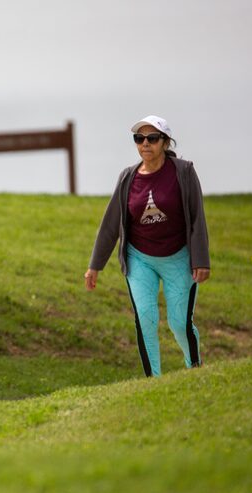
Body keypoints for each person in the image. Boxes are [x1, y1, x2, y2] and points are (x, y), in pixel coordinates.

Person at [84, 115, 210, 377]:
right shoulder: (128, 177)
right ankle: (153, 380)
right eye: (139, 139)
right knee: (146, 318)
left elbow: (197, 217)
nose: (145, 144)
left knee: (178, 323)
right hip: (139, 258)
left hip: (178, 257)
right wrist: (95, 266)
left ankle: (195, 369)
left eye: (152, 138)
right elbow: (110, 225)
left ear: (165, 142)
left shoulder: (184, 172)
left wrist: (201, 260)